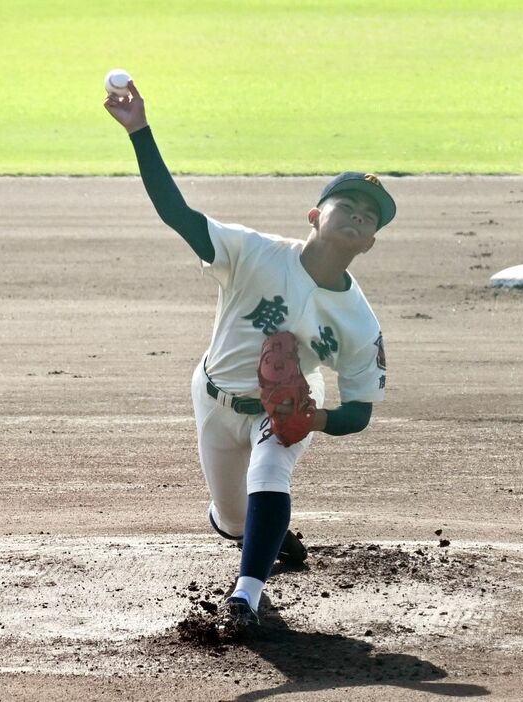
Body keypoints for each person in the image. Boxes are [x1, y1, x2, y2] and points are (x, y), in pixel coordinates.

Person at [104, 80, 396, 631]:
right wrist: (139, 130)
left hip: (279, 410)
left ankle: (247, 597)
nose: (358, 216)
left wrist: (316, 418)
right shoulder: (252, 252)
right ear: (315, 215)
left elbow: (361, 410)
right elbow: (177, 213)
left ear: (370, 242)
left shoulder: (359, 321)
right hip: (212, 397)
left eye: (369, 216)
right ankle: (268, 536)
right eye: (348, 204)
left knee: (270, 470)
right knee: (234, 520)